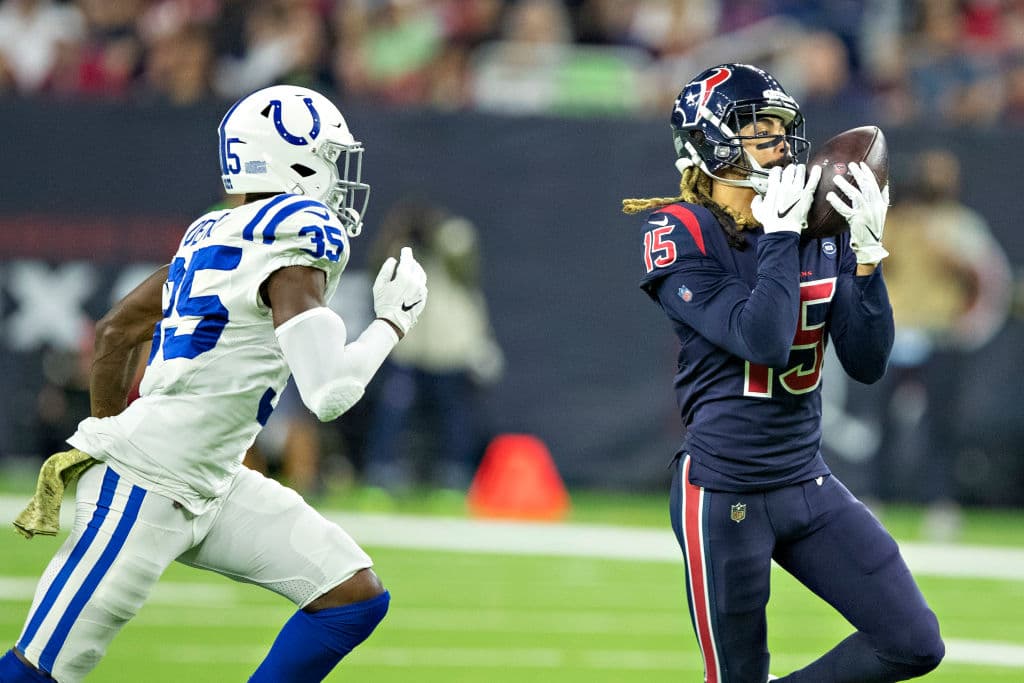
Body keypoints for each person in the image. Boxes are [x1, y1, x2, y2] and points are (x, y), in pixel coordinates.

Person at [0, 83, 428, 683]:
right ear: (291, 158)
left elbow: (116, 330)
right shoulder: (296, 232)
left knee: (351, 596)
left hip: (215, 479)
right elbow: (329, 393)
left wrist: (105, 428)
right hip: (148, 479)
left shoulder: (214, 230)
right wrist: (391, 322)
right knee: (40, 669)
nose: (338, 173)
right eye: (329, 156)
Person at [623, 63, 944, 682]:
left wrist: (869, 264)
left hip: (805, 479)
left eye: (781, 127)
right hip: (723, 489)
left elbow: (868, 362)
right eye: (756, 128)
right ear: (708, 142)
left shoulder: (814, 226)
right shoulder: (679, 229)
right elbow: (762, 341)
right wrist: (778, 236)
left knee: (912, 642)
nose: (778, 142)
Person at [361, 199, 504, 494]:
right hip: (410, 347)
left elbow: (464, 259)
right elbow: (380, 266)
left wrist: (436, 234)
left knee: (455, 415)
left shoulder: (454, 239)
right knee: (393, 409)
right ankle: (382, 470)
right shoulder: (401, 251)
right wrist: (399, 235)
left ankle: (455, 474)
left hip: (449, 348)